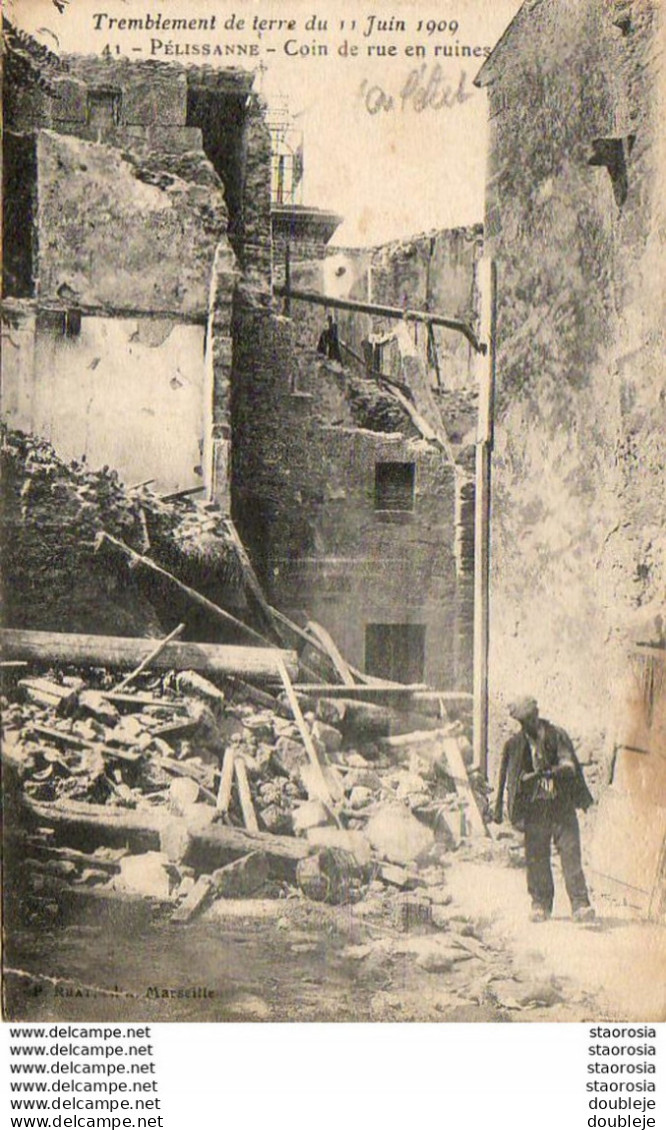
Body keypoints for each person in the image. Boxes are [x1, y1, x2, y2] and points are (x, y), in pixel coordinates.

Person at [493, 696, 595, 923]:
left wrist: (550, 772)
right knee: (536, 856)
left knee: (570, 853)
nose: (526, 724)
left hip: (560, 805)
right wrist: (500, 806)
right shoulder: (515, 744)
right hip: (535, 808)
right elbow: (505, 777)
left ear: (536, 715)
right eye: (522, 721)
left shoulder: (556, 735)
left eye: (529, 719)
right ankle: (540, 904)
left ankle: (580, 905)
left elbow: (570, 766)